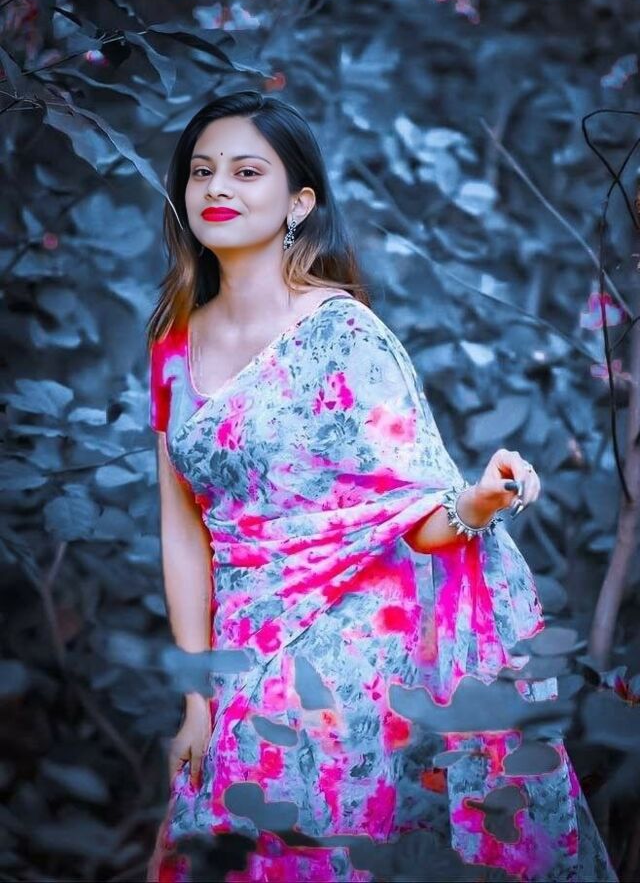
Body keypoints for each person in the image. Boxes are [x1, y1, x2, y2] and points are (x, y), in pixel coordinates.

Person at [145, 90, 618, 883]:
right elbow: (183, 528)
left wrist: (479, 500)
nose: (217, 187)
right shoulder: (171, 342)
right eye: (202, 171)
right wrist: (194, 697)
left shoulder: (344, 334)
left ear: (300, 202)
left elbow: (410, 513)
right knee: (223, 848)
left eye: (246, 171)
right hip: (236, 651)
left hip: (347, 654)